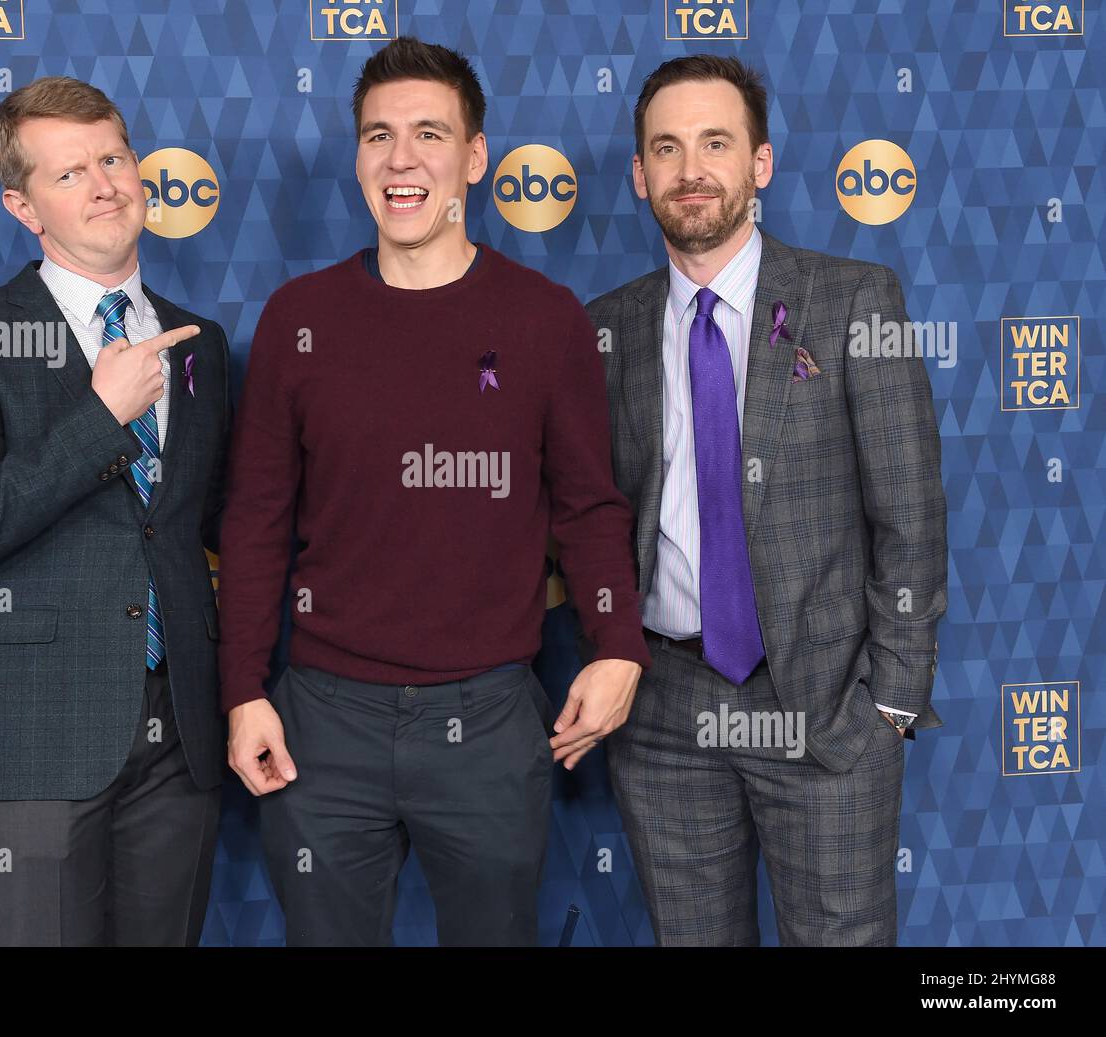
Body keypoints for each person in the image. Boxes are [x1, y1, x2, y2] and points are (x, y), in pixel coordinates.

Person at [218, 36, 651, 946]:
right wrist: (242, 692)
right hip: (322, 723)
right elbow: (256, 522)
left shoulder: (544, 320)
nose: (401, 159)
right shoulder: (299, 322)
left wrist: (618, 645)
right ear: (359, 157)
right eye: (378, 136)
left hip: (490, 721)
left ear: (476, 157)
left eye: (427, 133)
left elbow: (588, 505)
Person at [585, 55, 946, 946]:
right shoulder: (605, 327)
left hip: (825, 707)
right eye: (665, 149)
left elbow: (910, 513)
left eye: (716, 142)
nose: (690, 169)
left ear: (761, 163)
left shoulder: (858, 299)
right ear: (639, 175)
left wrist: (890, 703)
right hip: (665, 711)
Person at [0, 76, 231, 946]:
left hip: (182, 740)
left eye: (114, 158)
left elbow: (220, 526)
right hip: (32, 740)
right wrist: (100, 416)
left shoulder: (201, 341)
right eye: (69, 174)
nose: (104, 184)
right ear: (23, 207)